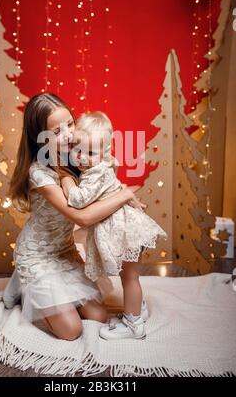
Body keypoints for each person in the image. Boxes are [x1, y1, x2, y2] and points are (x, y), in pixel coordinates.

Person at [3, 93, 144, 341]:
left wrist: (121, 190)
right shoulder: (40, 174)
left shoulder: (79, 155)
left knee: (98, 316)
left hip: (64, 251)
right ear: (41, 138)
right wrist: (125, 195)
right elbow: (83, 218)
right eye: (56, 131)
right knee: (71, 331)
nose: (68, 134)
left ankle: (48, 294)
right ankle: (25, 286)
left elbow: (105, 182)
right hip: (38, 255)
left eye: (70, 123)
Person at [61, 111, 168, 340]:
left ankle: (133, 325)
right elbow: (118, 186)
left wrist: (66, 181)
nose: (82, 158)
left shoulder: (93, 175)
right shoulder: (105, 166)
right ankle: (137, 308)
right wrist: (132, 199)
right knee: (130, 277)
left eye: (91, 153)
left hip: (127, 233)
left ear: (105, 153)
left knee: (129, 278)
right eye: (78, 150)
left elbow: (79, 200)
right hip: (129, 229)